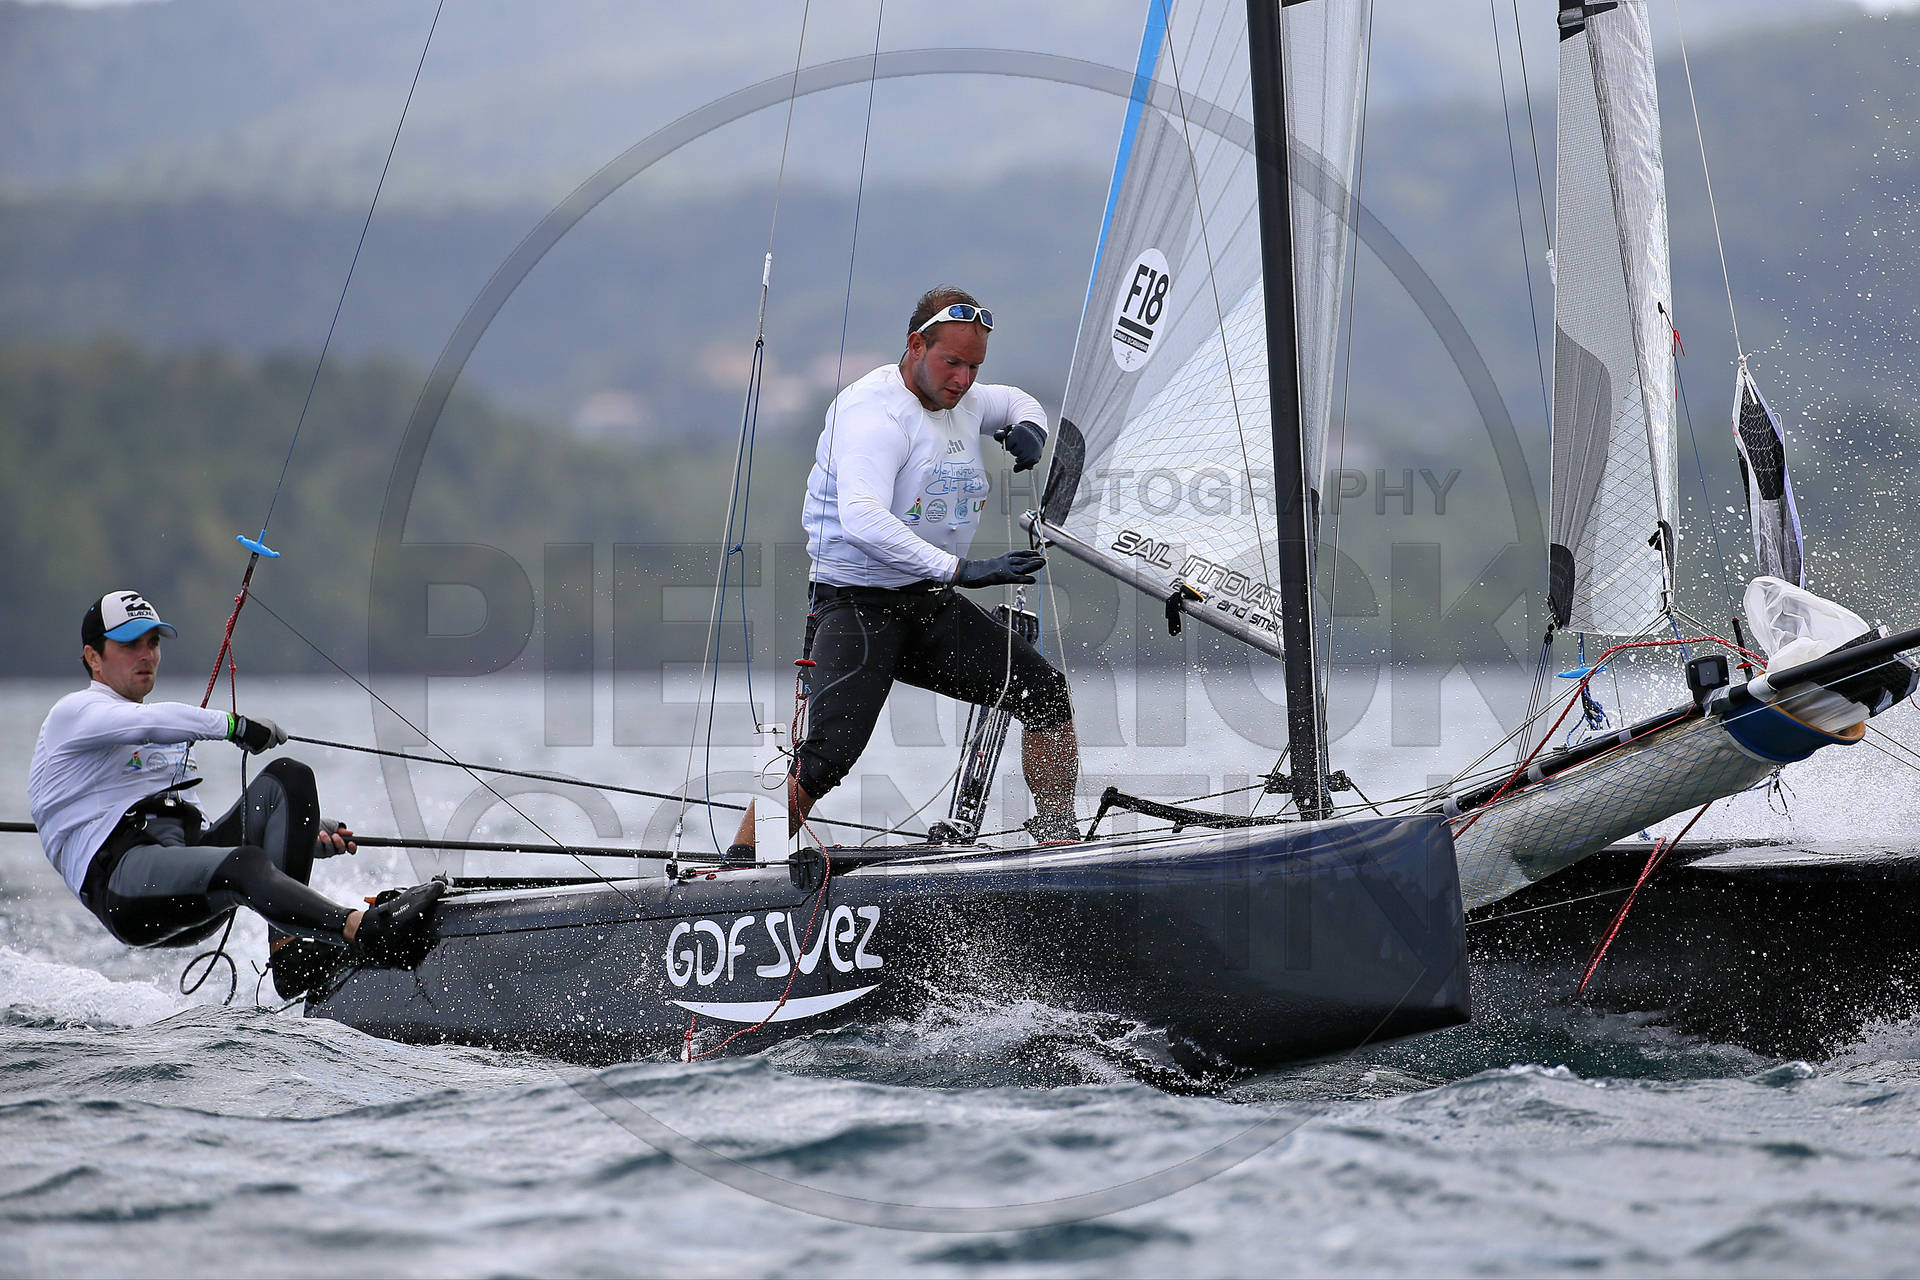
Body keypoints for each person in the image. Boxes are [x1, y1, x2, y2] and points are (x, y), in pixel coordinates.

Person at [732, 287, 1080, 854]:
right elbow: (863, 520)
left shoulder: (965, 398)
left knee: (1044, 693)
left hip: (926, 603)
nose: (964, 380)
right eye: (952, 363)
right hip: (857, 606)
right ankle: (741, 866)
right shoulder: (874, 416)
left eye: (975, 367)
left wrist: (1031, 428)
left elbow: (1017, 400)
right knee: (825, 759)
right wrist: (961, 570)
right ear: (916, 345)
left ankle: (1060, 842)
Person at [27, 590, 442, 997]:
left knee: (289, 779)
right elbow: (150, 722)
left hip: (184, 873)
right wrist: (234, 726)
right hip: (125, 890)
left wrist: (294, 834)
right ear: (93, 657)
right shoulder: (73, 714)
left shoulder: (162, 731)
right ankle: (362, 929)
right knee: (245, 864)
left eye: (152, 643)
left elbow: (203, 833)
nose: (146, 655)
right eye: (130, 644)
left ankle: (290, 955)